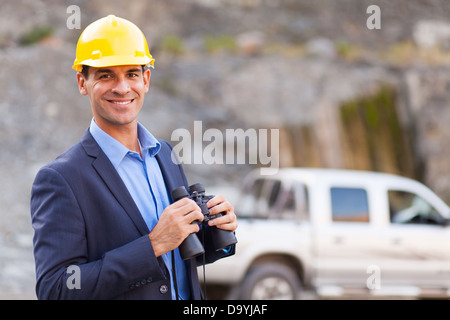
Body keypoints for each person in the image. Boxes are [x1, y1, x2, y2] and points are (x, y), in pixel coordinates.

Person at [30, 15, 237, 300]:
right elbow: (57, 289)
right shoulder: (61, 179)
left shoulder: (164, 154)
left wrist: (216, 233)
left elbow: (176, 262)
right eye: (106, 75)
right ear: (82, 82)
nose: (122, 88)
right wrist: (152, 245)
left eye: (131, 74)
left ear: (146, 79)